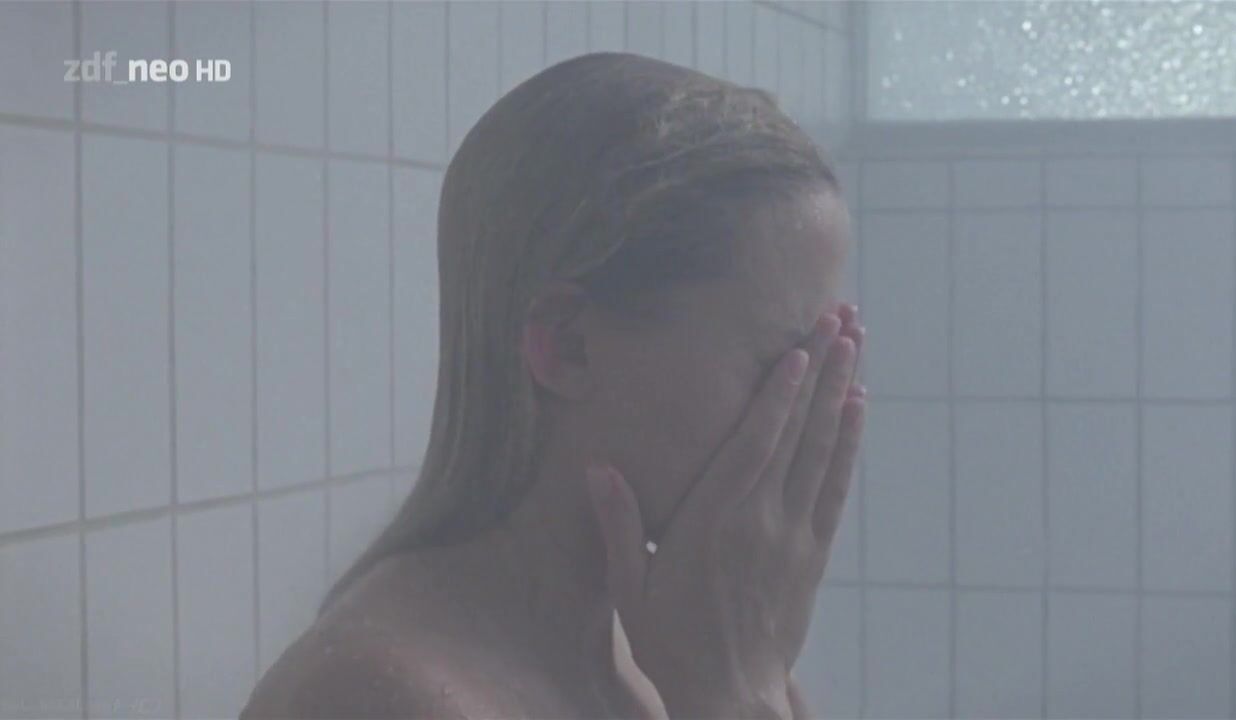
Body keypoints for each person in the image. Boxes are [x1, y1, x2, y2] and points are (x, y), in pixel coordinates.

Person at [240, 51, 867, 720]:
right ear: (568, 345)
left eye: (830, 362)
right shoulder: (378, 698)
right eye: (784, 363)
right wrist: (734, 698)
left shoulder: (670, 648)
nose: (819, 418)